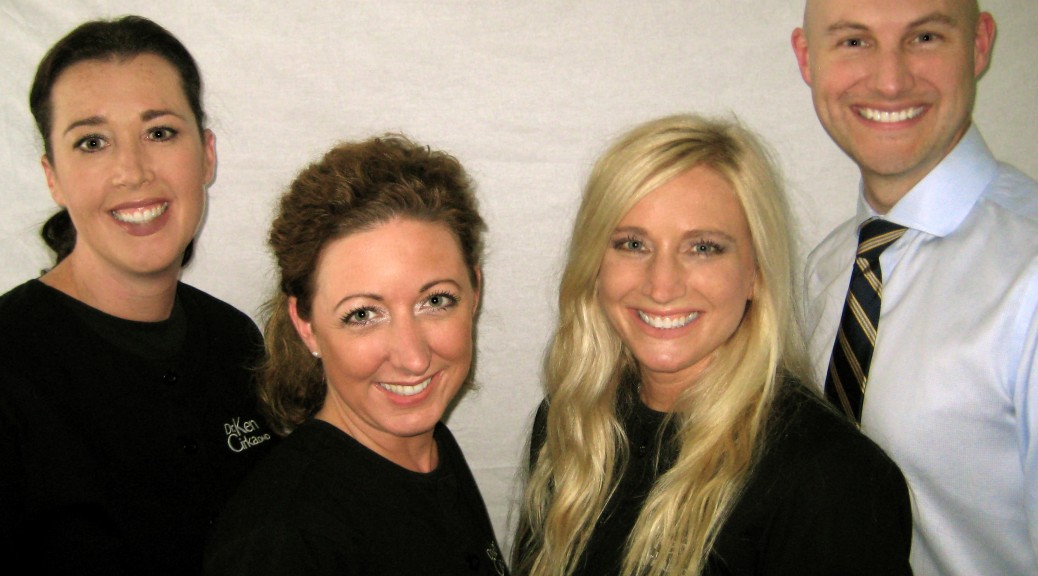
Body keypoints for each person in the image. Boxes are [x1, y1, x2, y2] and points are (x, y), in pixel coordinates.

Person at [511, 113, 912, 576]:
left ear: (756, 273)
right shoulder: (571, 425)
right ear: (594, 265)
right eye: (633, 244)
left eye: (702, 248)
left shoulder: (834, 480)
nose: (662, 286)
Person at [0, 15, 276, 575]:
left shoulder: (234, 340)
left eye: (159, 133)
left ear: (207, 154)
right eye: (93, 142)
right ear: (53, 177)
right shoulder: (10, 361)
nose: (132, 171)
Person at [792, 1, 1038, 573]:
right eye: (854, 41)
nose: (890, 80)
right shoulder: (826, 270)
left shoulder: (1030, 277)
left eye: (924, 37)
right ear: (808, 59)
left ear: (979, 44)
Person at [203, 135, 509, 575]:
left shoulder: (428, 449)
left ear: (474, 293)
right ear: (306, 324)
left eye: (436, 301)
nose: (413, 358)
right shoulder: (283, 543)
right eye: (363, 314)